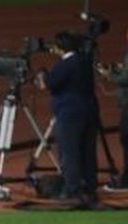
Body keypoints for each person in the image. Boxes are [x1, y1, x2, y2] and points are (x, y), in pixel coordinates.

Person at [37, 31, 100, 203]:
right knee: (88, 153)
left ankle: (72, 190)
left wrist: (43, 74)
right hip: (89, 112)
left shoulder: (64, 65)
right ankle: (90, 187)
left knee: (69, 153)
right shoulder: (85, 61)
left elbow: (49, 83)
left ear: (60, 48)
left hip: (69, 115)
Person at [98, 19, 128, 192]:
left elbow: (126, 79)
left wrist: (108, 74)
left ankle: (126, 181)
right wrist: (121, 68)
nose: (127, 35)